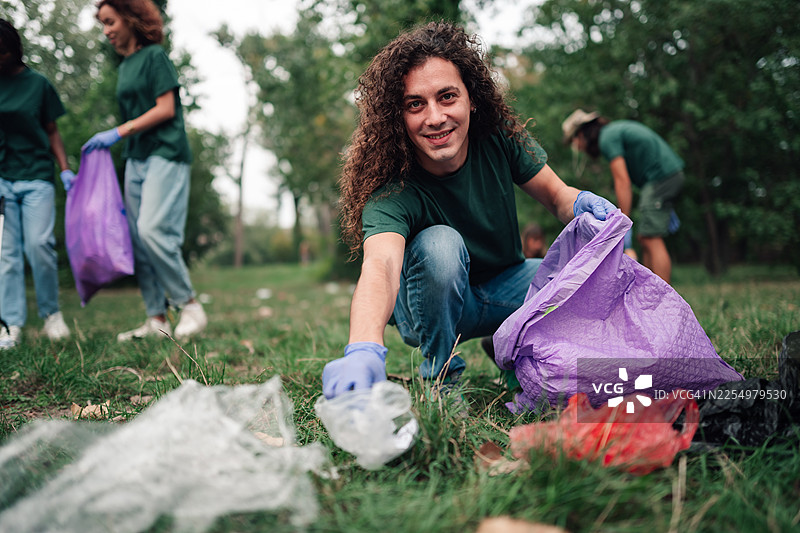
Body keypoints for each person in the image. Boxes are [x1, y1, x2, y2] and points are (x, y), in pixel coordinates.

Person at [322, 22, 617, 400]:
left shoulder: (499, 138)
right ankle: (440, 379)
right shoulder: (392, 188)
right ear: (399, 116)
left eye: (447, 97)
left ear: (471, 98)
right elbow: (380, 266)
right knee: (440, 245)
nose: (434, 117)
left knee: (573, 272)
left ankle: (512, 351)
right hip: (427, 308)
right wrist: (363, 346)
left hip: (502, 289)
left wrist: (581, 205)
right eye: (415, 104)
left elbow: (557, 196)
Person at [83, 0, 206, 341]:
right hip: (136, 158)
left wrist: (118, 132)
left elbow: (166, 108)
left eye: (110, 22)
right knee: (138, 240)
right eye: (102, 24)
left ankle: (190, 305)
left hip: (165, 153)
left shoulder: (155, 57)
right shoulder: (124, 66)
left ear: (130, 19)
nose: (106, 30)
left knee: (152, 230)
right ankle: (157, 320)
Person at [0, 19, 73, 350]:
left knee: (39, 246)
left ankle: (51, 315)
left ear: (13, 49)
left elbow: (52, 130)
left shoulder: (38, 84)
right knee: (7, 254)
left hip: (36, 176)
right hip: (2, 178)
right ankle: (10, 324)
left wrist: (65, 169)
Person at [562, 109, 684, 283]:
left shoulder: (607, 138)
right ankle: (650, 291)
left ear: (581, 133)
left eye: (574, 141)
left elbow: (622, 181)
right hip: (663, 178)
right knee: (645, 237)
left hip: (662, 177)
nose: (577, 148)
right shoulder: (612, 133)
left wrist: (622, 220)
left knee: (650, 237)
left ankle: (664, 301)